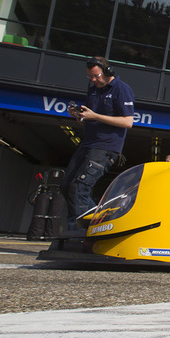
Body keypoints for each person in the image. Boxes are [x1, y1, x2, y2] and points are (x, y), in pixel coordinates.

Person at [61, 57, 134, 231]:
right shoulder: (93, 90)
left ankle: (77, 232)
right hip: (87, 144)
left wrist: (96, 116)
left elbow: (128, 122)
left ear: (108, 72)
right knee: (66, 186)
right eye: (90, 77)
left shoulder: (121, 89)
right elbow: (89, 116)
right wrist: (79, 115)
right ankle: (101, 221)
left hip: (105, 147)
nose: (93, 80)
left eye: (96, 76)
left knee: (79, 187)